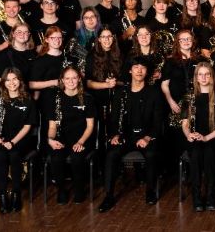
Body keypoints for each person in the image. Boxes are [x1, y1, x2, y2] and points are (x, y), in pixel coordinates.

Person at [98, 57, 163, 212]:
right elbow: (114, 119)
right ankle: (108, 196)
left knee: (151, 154)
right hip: (125, 136)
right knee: (111, 154)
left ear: (147, 72)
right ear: (130, 70)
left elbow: (158, 121)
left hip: (146, 136)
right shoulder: (121, 92)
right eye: (136, 67)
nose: (139, 71)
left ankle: (150, 191)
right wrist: (115, 135)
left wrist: (147, 137)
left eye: (143, 68)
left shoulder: (154, 93)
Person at [182, 62, 215, 212]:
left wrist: (207, 138)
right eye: (200, 74)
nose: (203, 78)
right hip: (195, 138)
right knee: (196, 154)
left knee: (209, 154)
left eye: (207, 74)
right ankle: (196, 197)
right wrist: (189, 135)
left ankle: (210, 196)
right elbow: (185, 124)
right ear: (196, 77)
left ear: (212, 76)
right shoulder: (189, 97)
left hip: (214, 138)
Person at [0, 68, 36, 213]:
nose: (11, 83)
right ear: (3, 82)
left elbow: (27, 126)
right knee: (1, 155)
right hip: (0, 140)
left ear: (20, 81)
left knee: (14, 155)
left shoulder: (28, 101)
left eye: (14, 79)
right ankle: (2, 195)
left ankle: (16, 194)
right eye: (8, 80)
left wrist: (13, 142)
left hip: (21, 140)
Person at [47, 66, 95, 204]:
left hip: (82, 138)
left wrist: (81, 142)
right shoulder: (56, 100)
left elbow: (90, 126)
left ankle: (79, 190)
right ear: (62, 80)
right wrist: (50, 140)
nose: (71, 81)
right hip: (62, 139)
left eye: (74, 78)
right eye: (67, 78)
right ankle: (61, 190)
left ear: (79, 79)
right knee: (56, 158)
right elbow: (52, 126)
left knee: (77, 157)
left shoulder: (87, 98)